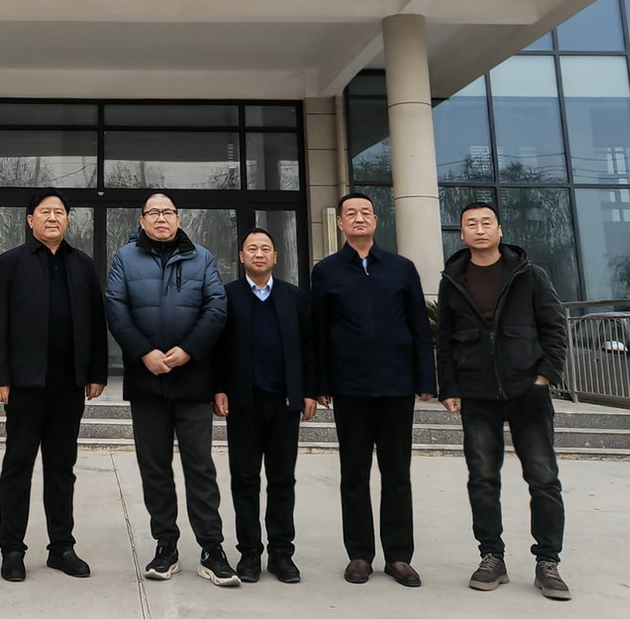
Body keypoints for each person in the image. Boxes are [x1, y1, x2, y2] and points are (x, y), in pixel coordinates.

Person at [436, 202, 571, 600]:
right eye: (471, 224)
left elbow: (554, 326)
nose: (479, 229)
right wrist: (450, 387)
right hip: (477, 392)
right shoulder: (452, 279)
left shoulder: (529, 275)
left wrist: (545, 376)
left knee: (543, 478)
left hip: (528, 389)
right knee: (482, 477)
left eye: (486, 223)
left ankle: (548, 561)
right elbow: (444, 338)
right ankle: (491, 556)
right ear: (461, 233)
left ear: (499, 230)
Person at [105, 192, 236, 587]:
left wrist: (189, 350)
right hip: (146, 380)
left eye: (168, 212)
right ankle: (166, 545)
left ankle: (212, 548)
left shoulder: (202, 257)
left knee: (200, 467)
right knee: (155, 468)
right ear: (142, 220)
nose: (161, 218)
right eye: (154, 212)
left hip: (193, 380)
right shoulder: (124, 259)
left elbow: (217, 307)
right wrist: (144, 352)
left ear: (178, 218)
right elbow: (116, 308)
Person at [310, 192, 435, 588]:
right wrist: (321, 382)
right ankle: (360, 554)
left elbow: (419, 326)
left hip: (397, 385)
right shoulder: (327, 271)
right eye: (351, 213)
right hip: (350, 387)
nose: (359, 218)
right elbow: (318, 331)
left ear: (376, 220)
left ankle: (398, 556)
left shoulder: (401, 268)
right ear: (340, 223)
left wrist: (425, 379)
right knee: (354, 473)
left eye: (365, 212)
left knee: (397, 472)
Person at [0, 189, 108, 583]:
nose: (53, 218)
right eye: (45, 212)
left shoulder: (82, 264)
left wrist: (97, 373)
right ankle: (12, 550)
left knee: (61, 468)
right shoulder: (10, 263)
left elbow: (96, 320)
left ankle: (61, 548)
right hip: (24, 386)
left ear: (67, 220)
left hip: (68, 385)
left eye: (59, 212)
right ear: (30, 220)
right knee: (17, 467)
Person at [213, 228, 316, 584]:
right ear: (241, 256)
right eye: (252, 249)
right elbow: (217, 348)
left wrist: (308, 391)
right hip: (243, 403)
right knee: (244, 479)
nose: (259, 254)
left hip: (284, 403)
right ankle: (249, 552)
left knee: (282, 479)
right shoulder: (227, 296)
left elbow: (308, 346)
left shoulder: (294, 297)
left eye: (265, 248)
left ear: (275, 257)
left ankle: (281, 553)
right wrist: (219, 388)